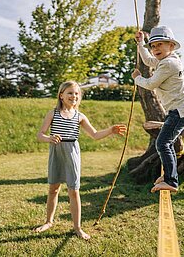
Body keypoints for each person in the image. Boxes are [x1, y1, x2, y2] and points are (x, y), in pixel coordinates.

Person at [34, 80, 126, 240]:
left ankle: (77, 228)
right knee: (53, 189)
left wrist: (111, 130)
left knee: (74, 191)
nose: (74, 96)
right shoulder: (53, 113)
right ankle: (49, 221)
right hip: (56, 153)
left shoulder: (80, 116)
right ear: (61, 95)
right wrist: (49, 138)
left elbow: (95, 135)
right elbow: (39, 135)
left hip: (72, 154)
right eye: (70, 93)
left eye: (77, 93)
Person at [131, 26, 184, 193]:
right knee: (166, 143)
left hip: (179, 111)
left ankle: (171, 181)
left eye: (160, 44)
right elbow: (147, 61)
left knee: (163, 143)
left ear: (171, 46)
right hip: (179, 110)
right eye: (153, 46)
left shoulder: (168, 64)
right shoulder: (165, 60)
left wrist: (137, 78)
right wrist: (141, 43)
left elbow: (151, 84)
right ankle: (169, 175)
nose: (155, 48)